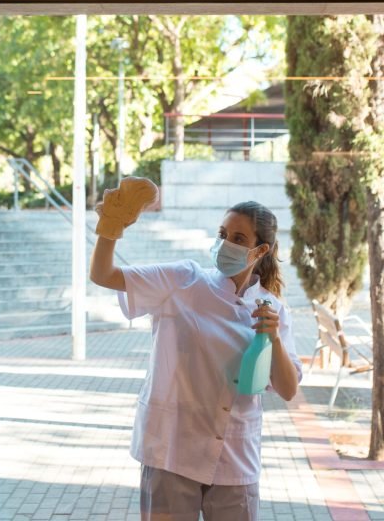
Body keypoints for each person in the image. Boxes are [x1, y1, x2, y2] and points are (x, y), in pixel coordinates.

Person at [89, 178, 302, 521]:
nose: (225, 244)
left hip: (234, 456)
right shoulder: (182, 279)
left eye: (238, 239)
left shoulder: (273, 308)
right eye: (222, 234)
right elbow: (103, 274)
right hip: (171, 450)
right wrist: (110, 227)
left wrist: (273, 337)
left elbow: (288, 390)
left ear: (260, 251)